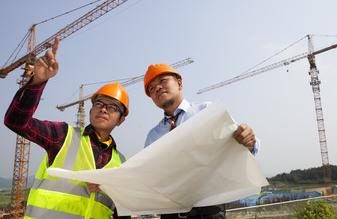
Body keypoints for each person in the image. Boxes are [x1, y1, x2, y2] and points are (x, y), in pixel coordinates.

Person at [4, 37, 130, 219]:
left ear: (121, 120)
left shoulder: (123, 165)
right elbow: (16, 121)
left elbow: (123, 212)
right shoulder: (64, 136)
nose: (103, 108)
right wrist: (37, 82)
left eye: (112, 107)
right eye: (99, 103)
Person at [143, 63, 261, 219]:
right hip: (169, 214)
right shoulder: (153, 136)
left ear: (179, 83)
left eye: (163, 81)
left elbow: (245, 144)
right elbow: (148, 176)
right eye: (151, 88)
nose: (157, 88)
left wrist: (248, 140)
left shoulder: (207, 111)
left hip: (208, 212)